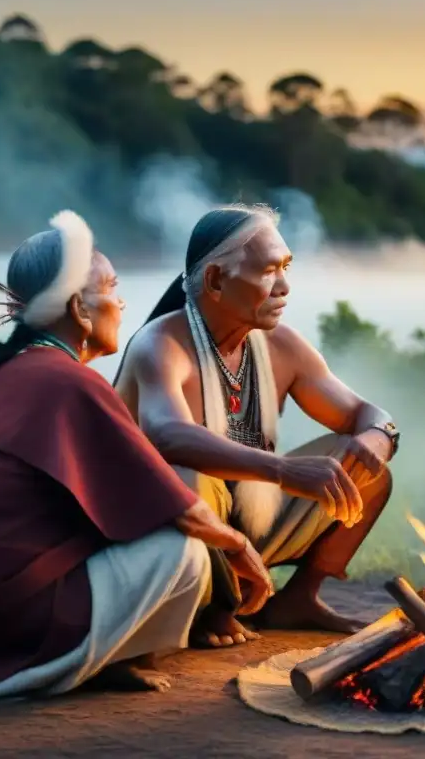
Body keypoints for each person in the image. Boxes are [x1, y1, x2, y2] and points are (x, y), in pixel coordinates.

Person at [0, 211, 273, 698]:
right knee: (185, 549)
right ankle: (93, 660)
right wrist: (241, 548)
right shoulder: (68, 381)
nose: (122, 302)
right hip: (16, 622)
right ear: (80, 312)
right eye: (111, 287)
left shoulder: (5, 372)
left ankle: (106, 660)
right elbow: (182, 511)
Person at [114, 204, 397, 643]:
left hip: (246, 525)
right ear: (214, 280)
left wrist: (377, 439)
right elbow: (167, 435)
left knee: (365, 472)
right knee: (190, 476)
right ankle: (209, 605)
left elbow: (368, 414)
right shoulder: (160, 344)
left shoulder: (281, 346)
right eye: (268, 271)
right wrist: (282, 470)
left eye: (286, 267)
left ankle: (295, 600)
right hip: (155, 534)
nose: (284, 286)